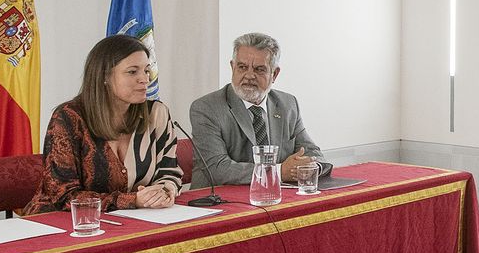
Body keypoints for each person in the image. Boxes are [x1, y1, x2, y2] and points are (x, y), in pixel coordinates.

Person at [24, 34, 182, 213]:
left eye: (146, 70)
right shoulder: (68, 117)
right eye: (132, 71)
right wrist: (132, 200)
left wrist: (163, 192)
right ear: (104, 76)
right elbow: (63, 196)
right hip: (60, 223)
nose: (145, 79)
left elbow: (170, 171)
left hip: (132, 220)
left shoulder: (156, 113)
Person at [189, 33, 327, 186]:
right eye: (242, 67)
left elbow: (313, 153)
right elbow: (217, 169)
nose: (249, 75)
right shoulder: (207, 108)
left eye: (259, 69)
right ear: (232, 67)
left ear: (274, 74)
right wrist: (279, 172)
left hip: (276, 197)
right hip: (221, 202)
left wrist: (309, 167)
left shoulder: (287, 104)